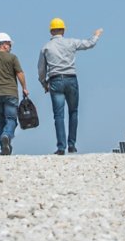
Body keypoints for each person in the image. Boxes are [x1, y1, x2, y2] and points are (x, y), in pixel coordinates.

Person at [38, 18, 103, 155]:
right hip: (71, 79)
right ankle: (72, 145)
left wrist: (44, 83)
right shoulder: (71, 42)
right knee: (73, 112)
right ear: (63, 30)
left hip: (55, 81)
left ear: (51, 31)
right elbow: (89, 44)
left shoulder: (46, 47)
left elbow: (41, 69)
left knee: (58, 115)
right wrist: (96, 35)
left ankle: (61, 147)